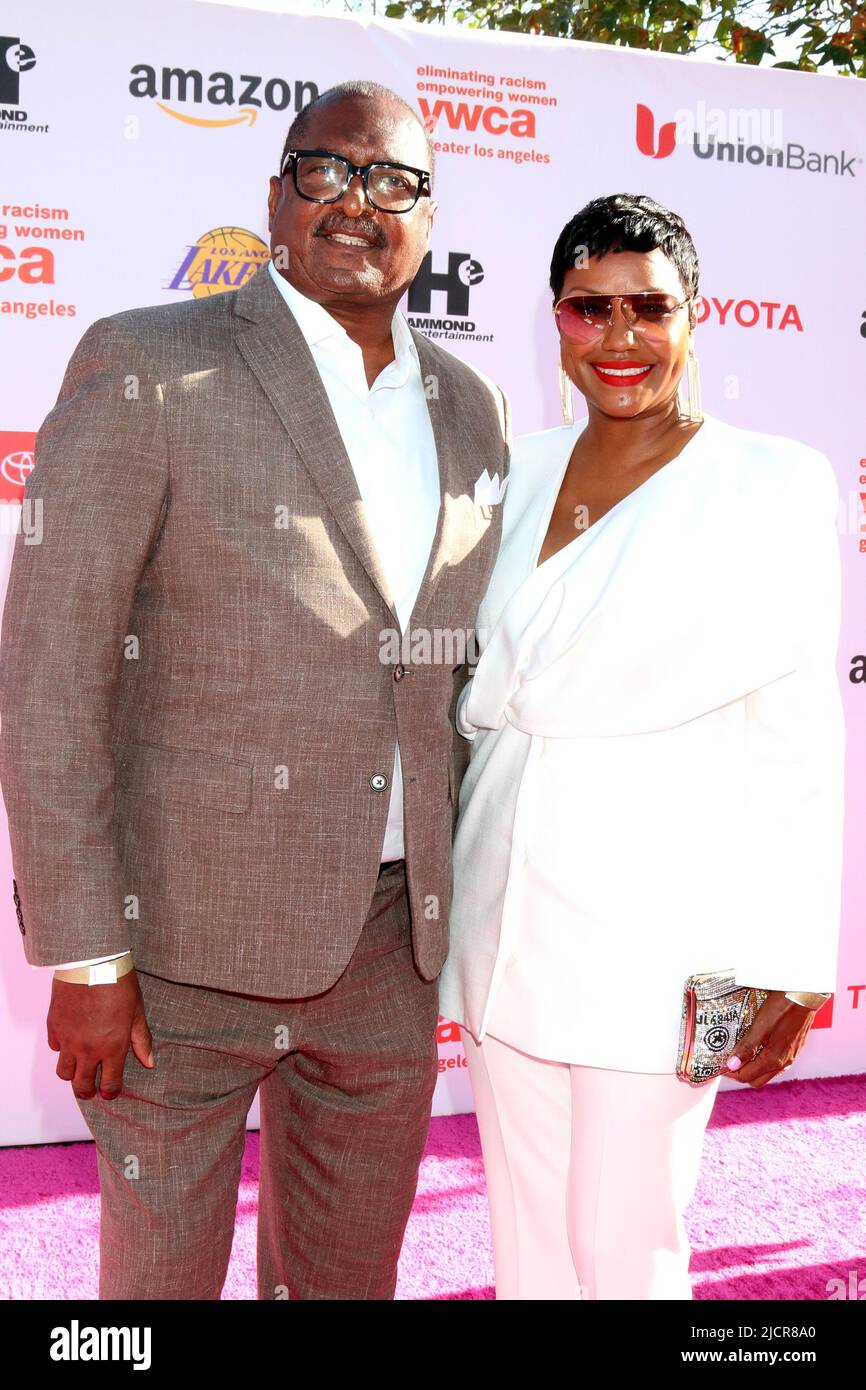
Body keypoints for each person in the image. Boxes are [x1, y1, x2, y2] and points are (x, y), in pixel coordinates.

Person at [0, 80, 510, 1300]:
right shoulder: (146, 362)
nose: (356, 201)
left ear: (431, 219)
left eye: (393, 180)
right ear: (275, 195)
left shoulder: (474, 410)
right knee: (157, 1293)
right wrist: (83, 953)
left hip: (391, 949)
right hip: (176, 947)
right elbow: (52, 667)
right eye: (324, 170)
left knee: (345, 1284)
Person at [438, 193, 844, 1301]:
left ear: (693, 315)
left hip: (658, 937)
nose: (619, 339)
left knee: (621, 1245)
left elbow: (801, 725)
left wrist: (793, 958)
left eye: (648, 308)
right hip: (500, 912)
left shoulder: (770, 481)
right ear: (554, 320)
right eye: (588, 309)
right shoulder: (512, 474)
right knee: (525, 1242)